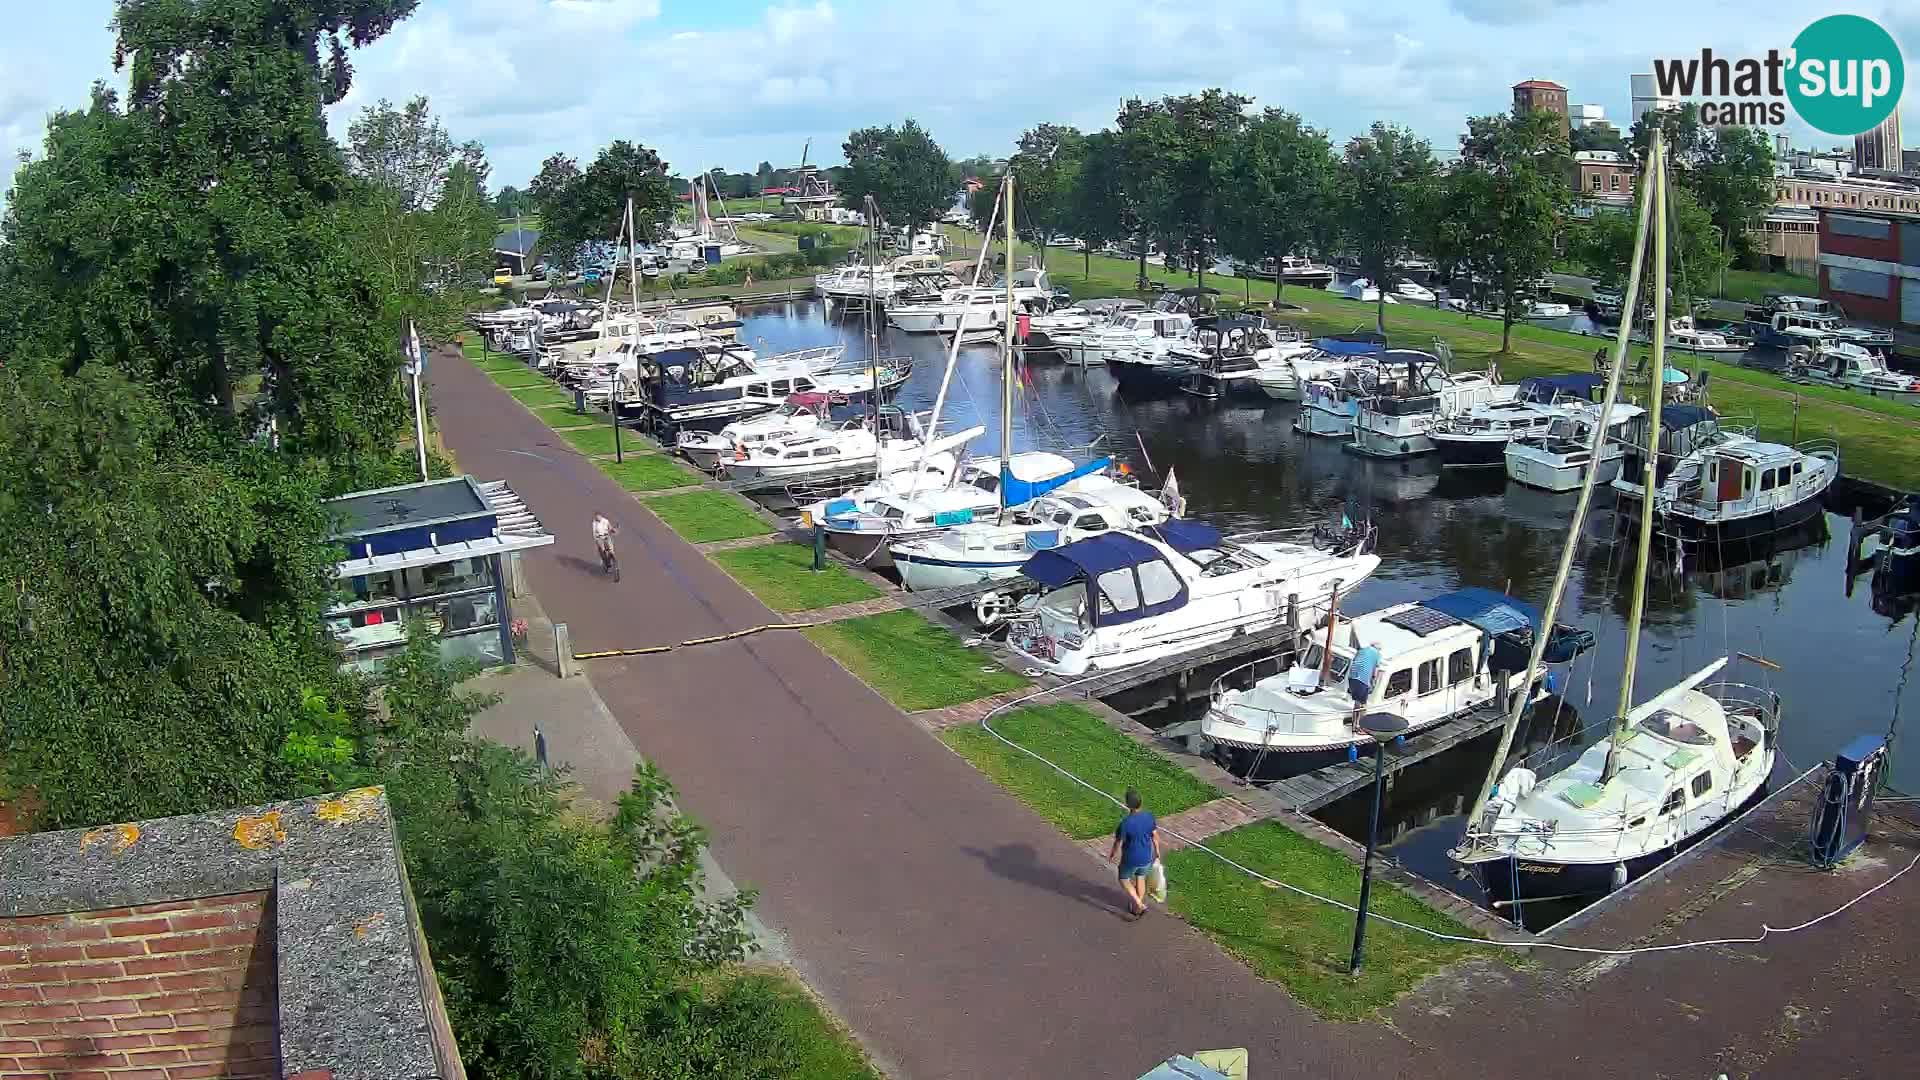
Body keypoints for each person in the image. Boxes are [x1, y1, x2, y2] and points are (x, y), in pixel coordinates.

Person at [1106, 788, 1160, 920]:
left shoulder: (1125, 824)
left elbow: (1118, 842)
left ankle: (1139, 904)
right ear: (1140, 803)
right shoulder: (1149, 817)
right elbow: (1155, 836)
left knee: (1123, 879)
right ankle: (1136, 909)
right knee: (1140, 878)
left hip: (1131, 858)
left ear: (1127, 805)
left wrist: (1112, 854)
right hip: (1146, 856)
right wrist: (1157, 851)